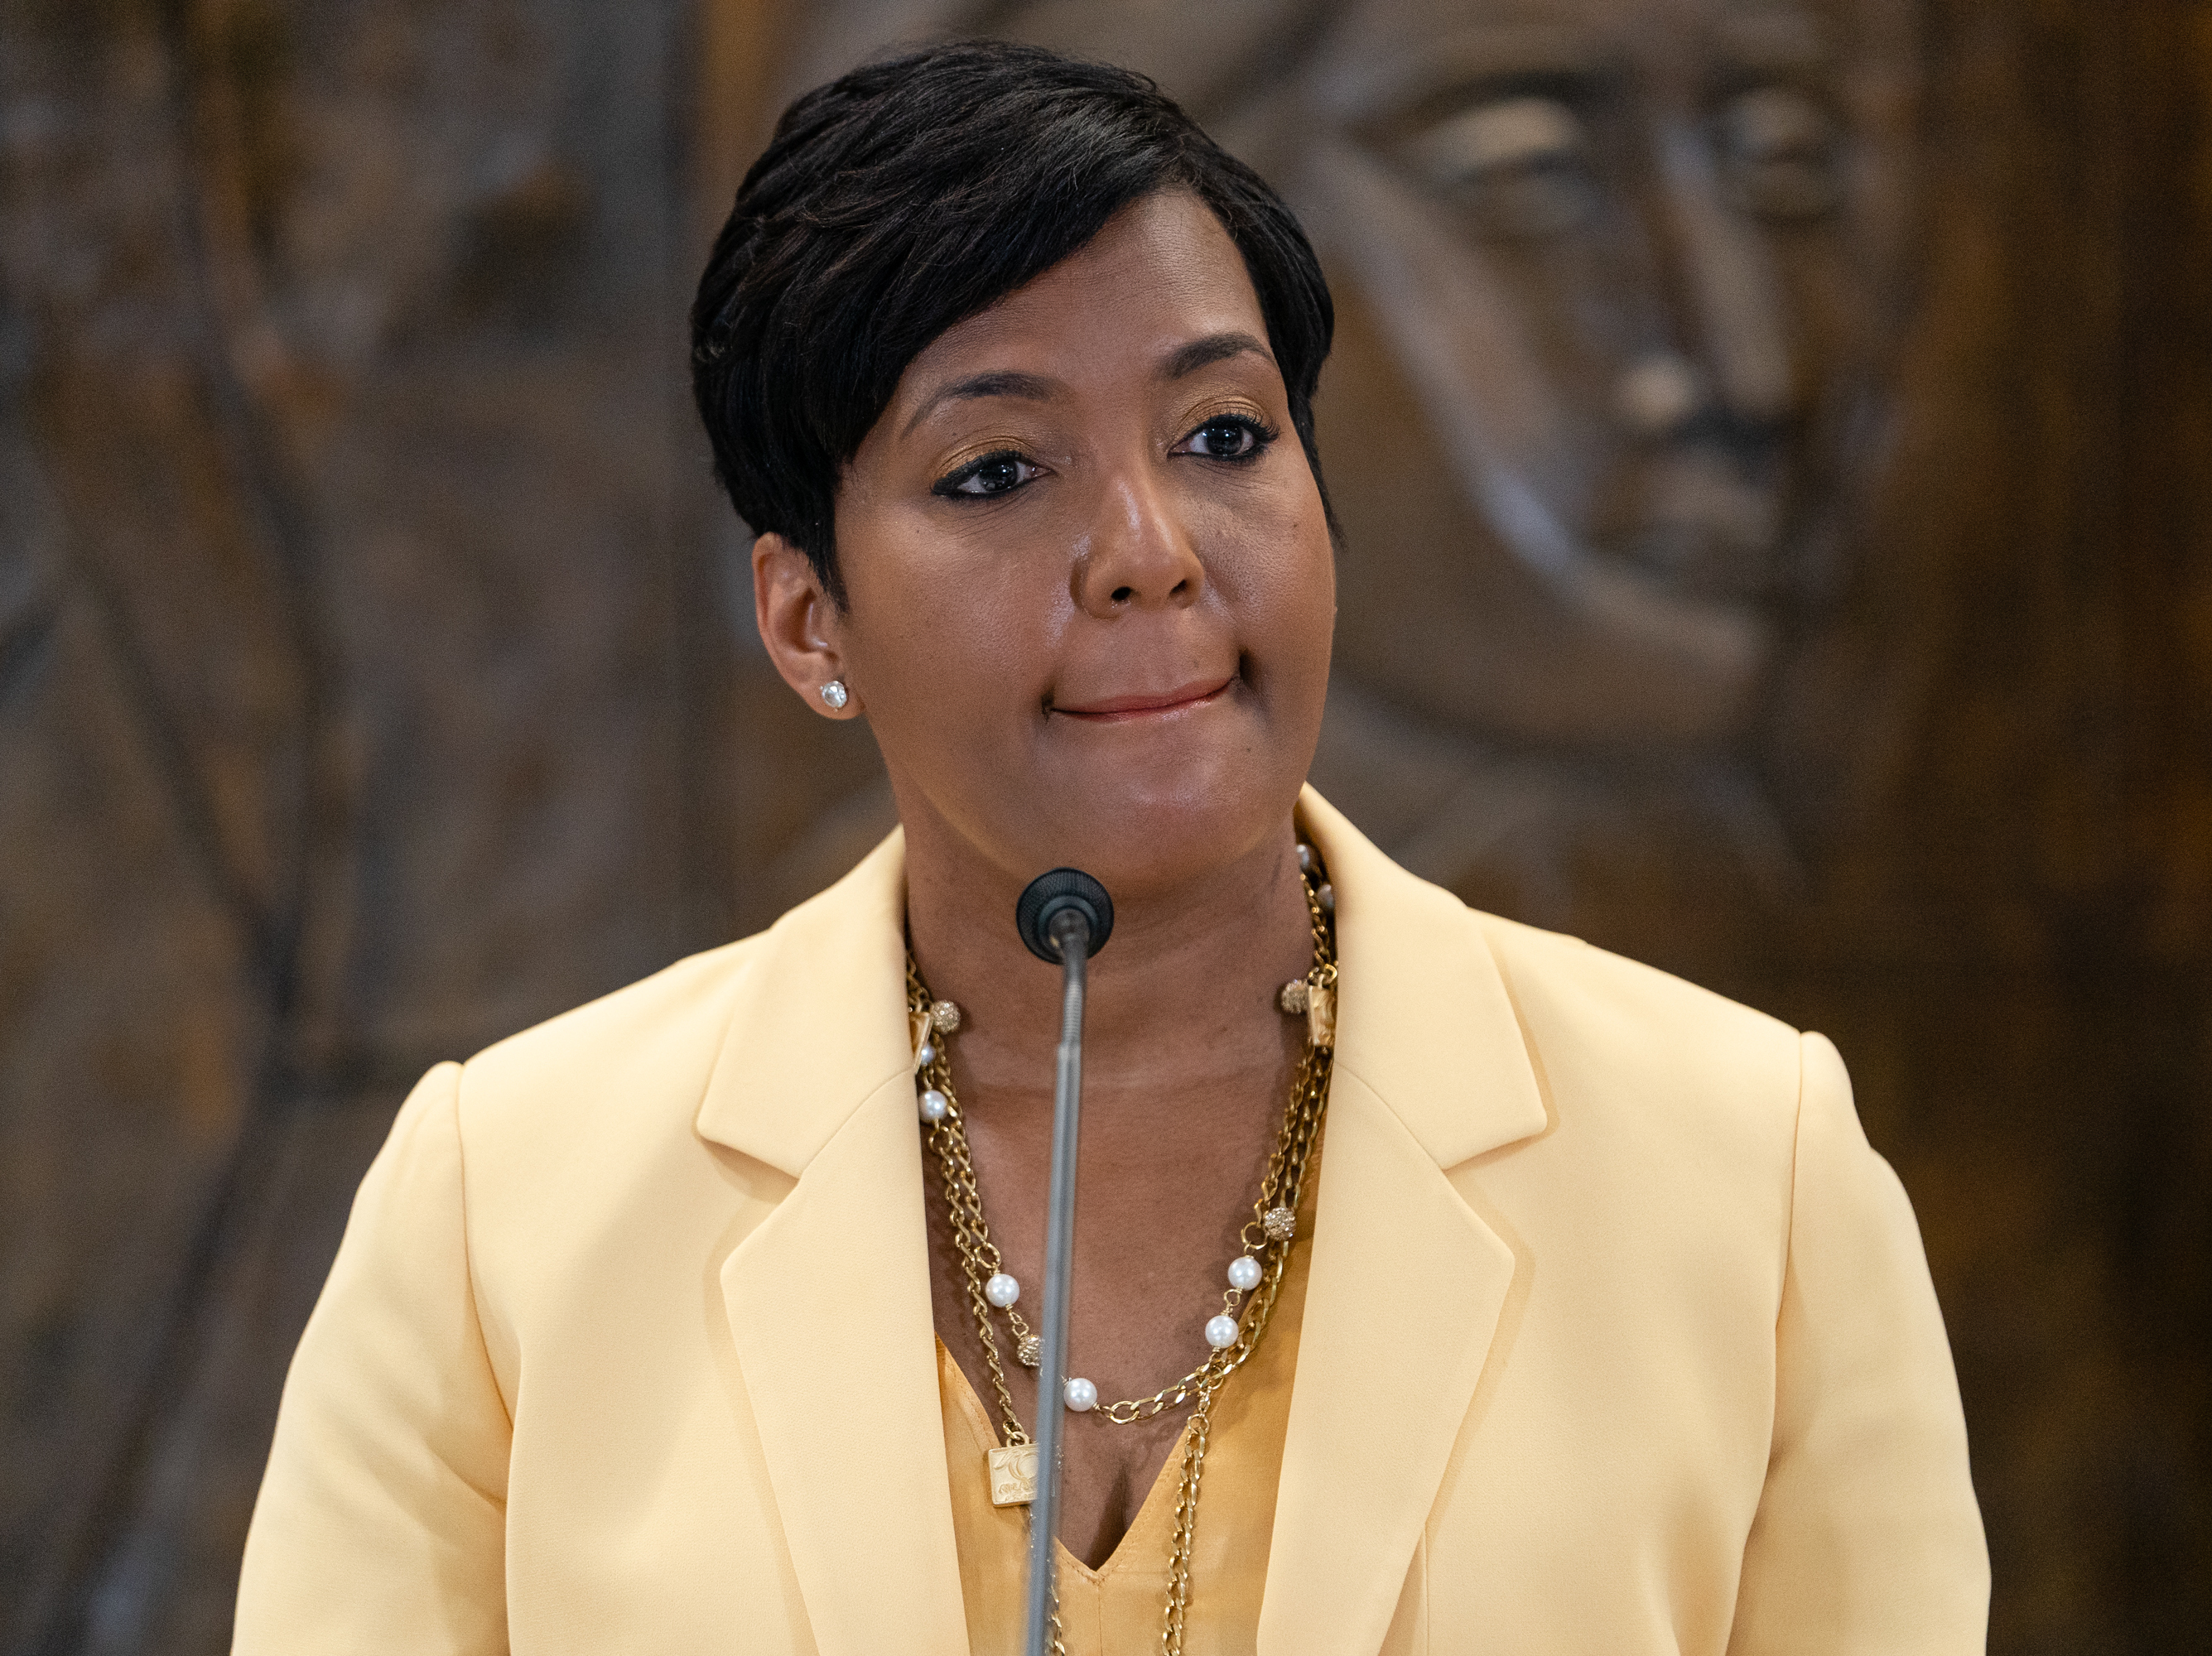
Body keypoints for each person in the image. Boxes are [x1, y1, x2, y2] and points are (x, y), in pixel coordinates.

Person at [232, 41, 1986, 1656]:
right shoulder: (508, 1214)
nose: (1149, 548)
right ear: (805, 617)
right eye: (998, 472)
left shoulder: (1746, 1177)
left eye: (1223, 437)